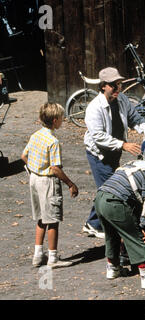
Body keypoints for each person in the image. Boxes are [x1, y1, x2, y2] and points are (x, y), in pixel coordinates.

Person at [83, 67, 145, 238]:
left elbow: (135, 118)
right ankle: (99, 226)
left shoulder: (122, 99)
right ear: (103, 86)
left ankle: (93, 223)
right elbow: (98, 136)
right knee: (109, 190)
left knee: (109, 187)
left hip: (115, 151)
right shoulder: (94, 108)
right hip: (99, 154)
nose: (118, 89)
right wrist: (123, 145)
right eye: (113, 86)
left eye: (119, 85)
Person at [94, 143, 145, 288]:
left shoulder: (133, 163)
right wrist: (142, 225)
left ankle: (113, 269)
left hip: (100, 197)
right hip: (116, 201)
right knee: (136, 237)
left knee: (111, 235)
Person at [21, 102, 79, 268]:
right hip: (47, 182)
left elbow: (24, 156)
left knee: (41, 218)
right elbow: (55, 168)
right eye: (61, 118)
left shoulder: (35, 135)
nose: (63, 120)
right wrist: (70, 183)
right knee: (52, 220)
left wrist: (34, 170)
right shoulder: (53, 141)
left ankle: (37, 255)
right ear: (55, 120)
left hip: (34, 179)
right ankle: (53, 257)